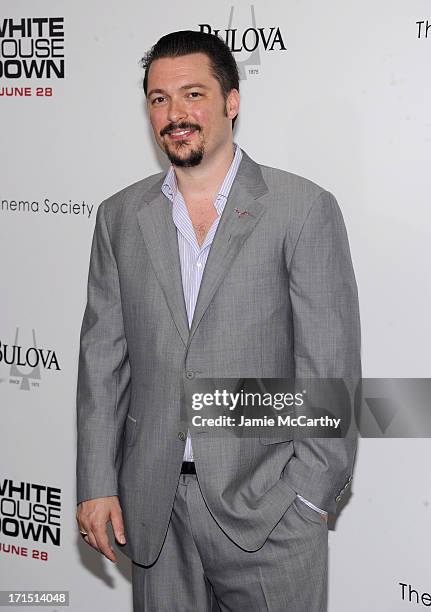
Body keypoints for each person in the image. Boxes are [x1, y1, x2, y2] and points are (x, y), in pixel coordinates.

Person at [76, 30, 361, 611]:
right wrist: (97, 483)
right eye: (159, 99)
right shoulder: (119, 217)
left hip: (270, 511)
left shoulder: (302, 209)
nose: (175, 114)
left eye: (192, 94)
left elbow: (328, 371)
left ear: (231, 101)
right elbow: (102, 361)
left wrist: (307, 497)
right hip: (154, 511)